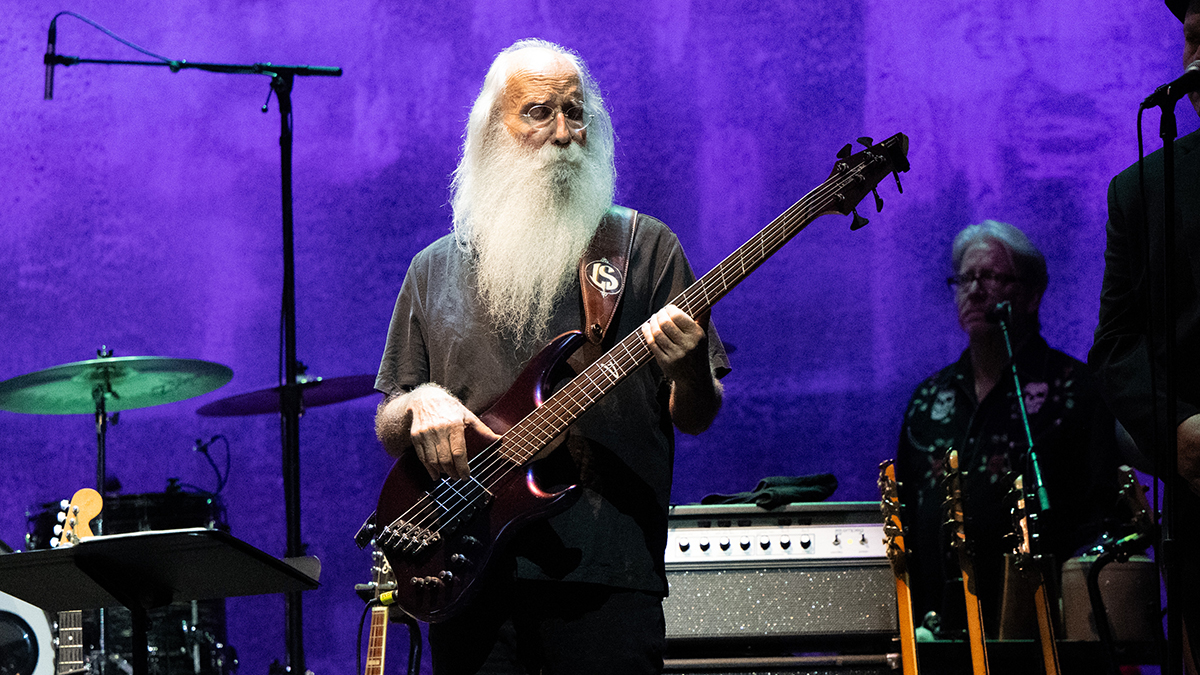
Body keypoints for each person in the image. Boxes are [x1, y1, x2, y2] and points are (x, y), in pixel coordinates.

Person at [373, 39, 728, 674]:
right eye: (538, 112)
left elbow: (695, 415)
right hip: (466, 568)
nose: (563, 132)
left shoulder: (646, 249)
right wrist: (420, 403)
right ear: (491, 132)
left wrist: (690, 368)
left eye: (576, 111)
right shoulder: (432, 270)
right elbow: (388, 423)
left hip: (607, 572)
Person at [896, 220, 1119, 639]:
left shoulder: (1076, 388)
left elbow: (1102, 514)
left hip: (1048, 627)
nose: (975, 290)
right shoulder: (929, 397)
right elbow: (905, 512)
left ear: (1032, 294)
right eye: (965, 278)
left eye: (993, 277)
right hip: (941, 630)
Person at [1090, 0, 1200, 667]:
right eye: (1192, 40)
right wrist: (1179, 424)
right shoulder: (1143, 189)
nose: (1197, 59)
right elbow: (1116, 347)